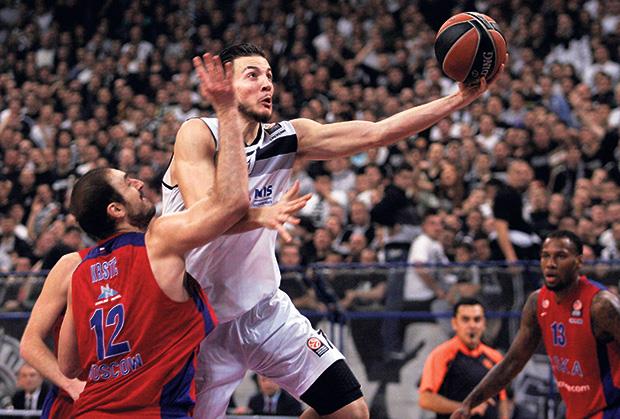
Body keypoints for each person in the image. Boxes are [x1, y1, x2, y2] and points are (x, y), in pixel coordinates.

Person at [163, 42, 497, 418]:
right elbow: (204, 215)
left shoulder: (288, 137)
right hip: (200, 320)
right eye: (252, 75)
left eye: (269, 76)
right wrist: (260, 215)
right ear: (224, 85)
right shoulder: (198, 133)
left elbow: (377, 133)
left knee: (350, 412)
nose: (266, 84)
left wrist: (458, 99)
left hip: (264, 311)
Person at [57, 54, 308, 417]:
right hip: (151, 404)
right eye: (127, 183)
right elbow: (226, 207)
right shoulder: (159, 240)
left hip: (95, 406)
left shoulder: (79, 272)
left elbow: (67, 363)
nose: (138, 182)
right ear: (116, 209)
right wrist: (226, 112)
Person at [452, 230, 620, 419]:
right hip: (578, 412)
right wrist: (469, 404)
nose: (551, 263)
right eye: (545, 256)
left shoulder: (601, 305)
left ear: (578, 261)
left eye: (561, 256)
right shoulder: (537, 303)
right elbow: (513, 361)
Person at [419, 298, 509, 419]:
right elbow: (426, 399)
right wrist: (464, 408)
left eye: (477, 319)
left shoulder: (494, 357)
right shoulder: (441, 355)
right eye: (465, 319)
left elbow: (502, 399)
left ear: (484, 323)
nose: (472, 325)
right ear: (454, 323)